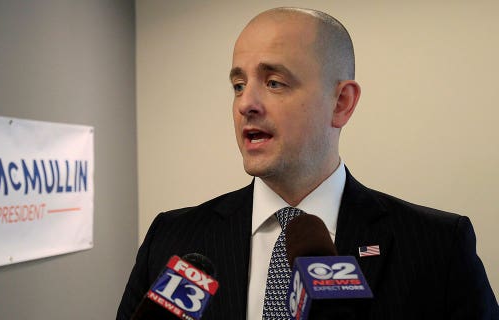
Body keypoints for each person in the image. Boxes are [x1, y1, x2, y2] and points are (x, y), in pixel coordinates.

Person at [117, 7, 498, 320]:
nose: (245, 103)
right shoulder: (173, 238)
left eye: (274, 82)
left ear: (341, 103)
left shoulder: (437, 248)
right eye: (238, 84)